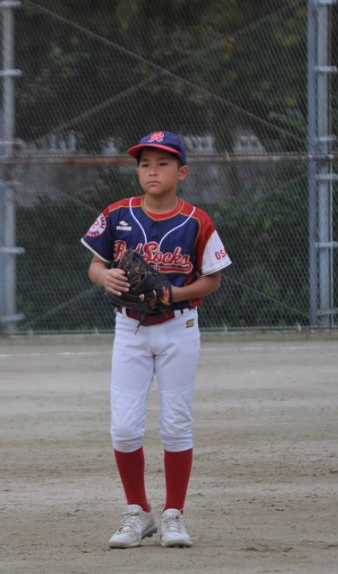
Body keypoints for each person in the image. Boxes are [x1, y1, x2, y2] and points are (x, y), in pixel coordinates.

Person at [80, 131, 232, 548]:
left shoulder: (197, 221)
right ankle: (138, 512)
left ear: (182, 172)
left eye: (163, 163)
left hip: (179, 327)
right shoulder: (117, 214)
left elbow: (213, 279)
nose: (152, 171)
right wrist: (105, 277)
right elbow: (96, 265)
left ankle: (173, 515)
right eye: (145, 163)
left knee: (176, 424)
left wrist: (173, 294)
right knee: (124, 427)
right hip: (129, 328)